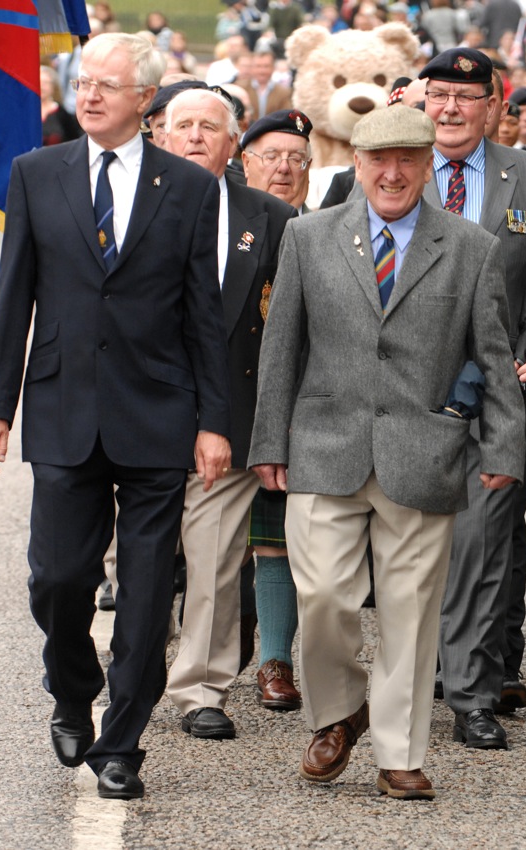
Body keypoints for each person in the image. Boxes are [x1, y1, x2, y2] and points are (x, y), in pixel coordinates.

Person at [0, 33, 232, 800]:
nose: (89, 95)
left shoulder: (188, 188)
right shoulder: (35, 174)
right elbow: (12, 299)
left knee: (149, 594)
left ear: (144, 99)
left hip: (158, 412)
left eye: (109, 85)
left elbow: (204, 317)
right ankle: (70, 688)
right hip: (61, 410)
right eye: (84, 83)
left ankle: (122, 742)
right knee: (58, 578)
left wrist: (214, 422)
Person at [247, 104, 526, 800]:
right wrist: (268, 440)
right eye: (379, 160)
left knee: (409, 610)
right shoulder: (308, 237)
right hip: (323, 446)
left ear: (428, 163)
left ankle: (400, 754)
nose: (393, 172)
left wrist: (503, 447)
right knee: (324, 599)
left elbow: (494, 356)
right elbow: (280, 348)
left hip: (422, 452)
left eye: (408, 158)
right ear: (358, 166)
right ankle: (339, 713)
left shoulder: (469, 246)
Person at [416, 47, 526, 750]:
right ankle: (416, 671)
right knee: (417, 546)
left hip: (501, 396)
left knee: (485, 547)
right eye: (438, 95)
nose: (450, 109)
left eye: (465, 96)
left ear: (494, 105)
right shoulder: (393, 168)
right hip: (410, 397)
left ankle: (473, 694)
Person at [159, 88, 295, 740]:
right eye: (180, 125)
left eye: (208, 127)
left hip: (229, 417)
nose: (193, 135)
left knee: (214, 563)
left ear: (232, 145)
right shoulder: (126, 211)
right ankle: (107, 666)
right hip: (135, 417)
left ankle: (201, 689)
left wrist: (273, 432)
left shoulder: (270, 219)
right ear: (158, 136)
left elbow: (288, 335)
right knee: (128, 566)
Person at [237, 109, 312, 709]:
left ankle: (275, 663)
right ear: (245, 164)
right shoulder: (219, 224)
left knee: (276, 542)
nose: (284, 168)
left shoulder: (330, 230)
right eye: (271, 156)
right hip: (226, 403)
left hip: (297, 411)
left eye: (297, 158)